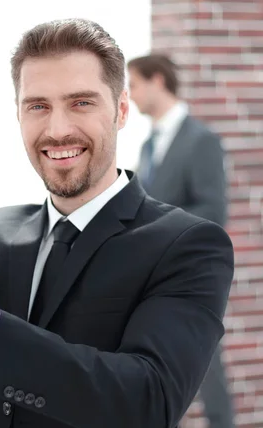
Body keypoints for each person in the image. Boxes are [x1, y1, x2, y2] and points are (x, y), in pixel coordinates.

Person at [0, 19, 234, 428]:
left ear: (120, 110)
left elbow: (149, 402)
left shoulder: (189, 245)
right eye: (38, 106)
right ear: (19, 115)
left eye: (81, 102)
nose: (58, 129)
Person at [128, 53, 234, 428]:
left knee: (208, 366)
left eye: (134, 84)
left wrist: (160, 232)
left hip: (188, 273)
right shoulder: (146, 146)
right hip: (151, 274)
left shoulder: (201, 140)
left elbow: (213, 209)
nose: (130, 94)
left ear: (158, 81)